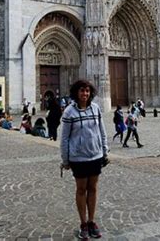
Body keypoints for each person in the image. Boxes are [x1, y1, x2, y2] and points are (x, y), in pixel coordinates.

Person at [60, 79, 109, 240]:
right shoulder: (69, 112)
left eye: (87, 91)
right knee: (81, 189)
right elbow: (65, 138)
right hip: (78, 158)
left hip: (95, 155)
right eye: (82, 91)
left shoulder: (95, 109)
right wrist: (65, 159)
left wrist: (105, 151)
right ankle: (83, 224)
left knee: (93, 188)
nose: (85, 94)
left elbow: (102, 131)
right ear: (76, 93)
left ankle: (91, 221)